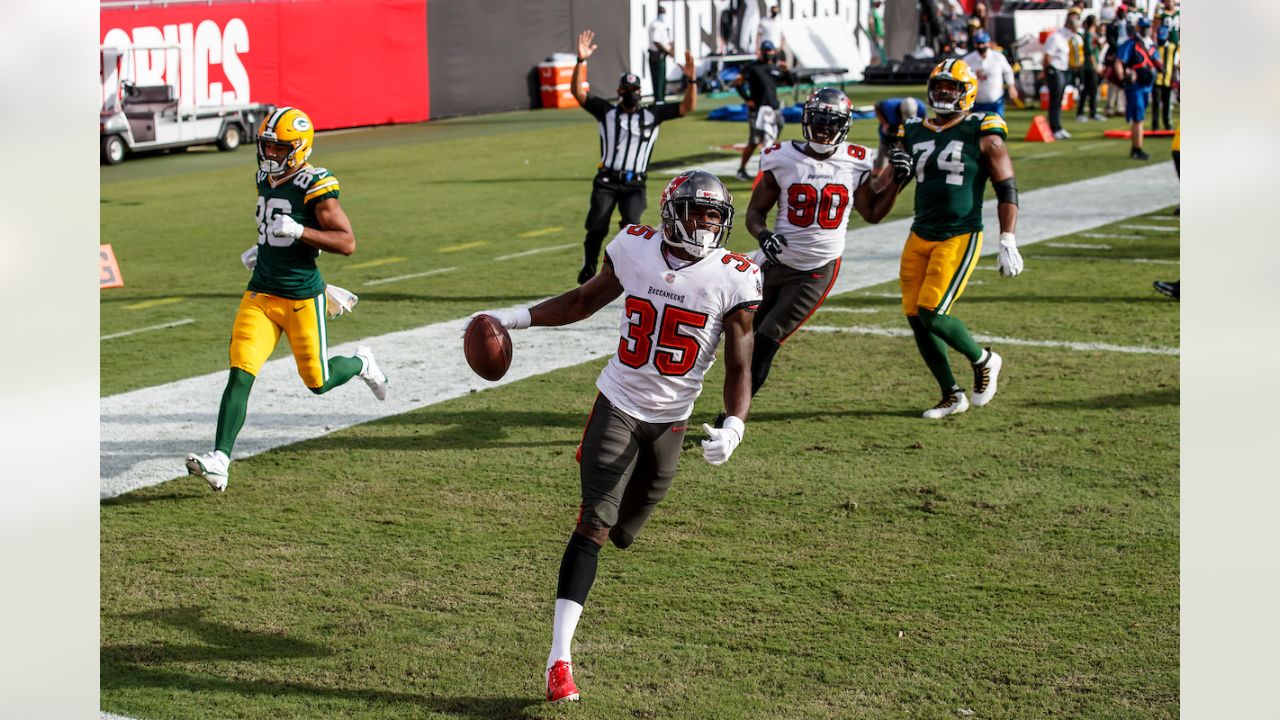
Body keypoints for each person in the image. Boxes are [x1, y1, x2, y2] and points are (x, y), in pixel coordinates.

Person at [467, 170, 760, 704]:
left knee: (625, 532)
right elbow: (581, 302)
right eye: (698, 212)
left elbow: (740, 365)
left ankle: (612, 515)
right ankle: (559, 661)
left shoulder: (736, 277)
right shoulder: (635, 246)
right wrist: (512, 318)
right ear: (672, 213)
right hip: (618, 404)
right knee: (594, 526)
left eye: (716, 215)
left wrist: (735, 424)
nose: (708, 223)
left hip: (672, 420)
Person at [184, 106, 389, 492]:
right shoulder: (264, 176)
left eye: (279, 148)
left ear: (298, 148)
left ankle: (362, 363)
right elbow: (272, 225)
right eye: (267, 146)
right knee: (240, 372)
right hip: (261, 293)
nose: (270, 154)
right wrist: (263, 247)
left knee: (318, 381)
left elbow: (346, 242)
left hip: (300, 298)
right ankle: (220, 460)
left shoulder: (316, 183)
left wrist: (298, 231)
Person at [731, 88, 911, 403]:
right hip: (774, 262)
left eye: (832, 122)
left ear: (844, 125)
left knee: (766, 340)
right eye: (819, 120)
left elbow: (871, 213)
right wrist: (763, 235)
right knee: (741, 336)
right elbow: (755, 212)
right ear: (806, 120)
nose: (825, 128)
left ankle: (731, 418)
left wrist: (896, 182)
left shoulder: (856, 161)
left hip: (815, 270)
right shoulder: (781, 156)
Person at [896, 59, 1023, 418]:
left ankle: (984, 358)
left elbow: (1006, 185)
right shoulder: (913, 130)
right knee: (915, 315)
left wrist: (1008, 238)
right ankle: (951, 394)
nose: (943, 94)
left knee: (932, 312)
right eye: (938, 88)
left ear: (966, 91)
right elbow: (887, 182)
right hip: (920, 232)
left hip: (959, 233)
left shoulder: (982, 126)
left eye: (951, 88)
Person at [571, 30, 697, 284]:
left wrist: (691, 81)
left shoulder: (652, 114)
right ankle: (589, 266)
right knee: (596, 226)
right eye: (627, 89)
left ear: (640, 91)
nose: (632, 92)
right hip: (607, 180)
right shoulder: (606, 112)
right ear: (619, 91)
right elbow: (578, 93)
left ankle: (622, 271)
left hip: (634, 183)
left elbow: (686, 107)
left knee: (631, 228)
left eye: (635, 89)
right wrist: (580, 61)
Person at [733, 41, 795, 182]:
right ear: (761, 51)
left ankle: (769, 170)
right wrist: (747, 98)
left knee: (772, 140)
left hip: (774, 109)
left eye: (769, 50)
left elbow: (790, 82)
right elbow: (737, 82)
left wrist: (787, 71)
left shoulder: (775, 68)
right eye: (765, 50)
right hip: (758, 110)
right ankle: (741, 169)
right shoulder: (752, 67)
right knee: (754, 141)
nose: (767, 52)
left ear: (774, 51)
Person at [1115, 16, 1161, 160]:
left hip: (1147, 85)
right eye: (1143, 27)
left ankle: (1136, 147)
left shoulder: (1151, 44)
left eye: (1147, 27)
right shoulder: (1132, 44)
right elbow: (1119, 61)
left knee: (1140, 117)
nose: (1145, 29)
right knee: (1138, 118)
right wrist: (1123, 77)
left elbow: (1158, 61)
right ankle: (1137, 148)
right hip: (1136, 86)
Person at [962, 31, 1018, 117]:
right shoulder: (968, 59)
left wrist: (1011, 86)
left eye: (982, 43)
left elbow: (1008, 71)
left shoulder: (998, 57)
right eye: (978, 43)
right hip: (975, 103)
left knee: (996, 127)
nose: (980, 46)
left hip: (996, 102)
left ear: (988, 43)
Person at [1042, 12, 1078, 139]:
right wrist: (1047, 72)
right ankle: (1054, 127)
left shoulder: (1064, 39)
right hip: (1055, 70)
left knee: (1059, 100)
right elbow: (1047, 57)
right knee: (1055, 100)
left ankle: (1058, 126)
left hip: (1062, 70)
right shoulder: (1056, 38)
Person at [873, 96, 923, 172]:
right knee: (885, 148)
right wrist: (885, 123)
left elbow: (923, 123)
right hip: (890, 130)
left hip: (909, 132)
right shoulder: (890, 105)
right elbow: (876, 106)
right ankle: (879, 168)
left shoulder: (921, 107)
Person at [1075, 15, 1106, 121]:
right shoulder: (1088, 35)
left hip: (1092, 66)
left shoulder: (1093, 35)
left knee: (1092, 90)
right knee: (1087, 90)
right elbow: (1089, 52)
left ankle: (1092, 112)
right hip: (1089, 67)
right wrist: (1095, 66)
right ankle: (1082, 113)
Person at [1151, 24, 1178, 132]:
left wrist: (1174, 78)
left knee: (1167, 103)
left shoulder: (1172, 47)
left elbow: (1175, 64)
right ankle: (1155, 125)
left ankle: (1167, 124)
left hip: (1168, 79)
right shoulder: (1154, 48)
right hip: (1156, 80)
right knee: (1156, 103)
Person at [647, 4, 674, 102]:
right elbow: (657, 41)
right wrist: (668, 51)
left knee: (662, 80)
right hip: (656, 55)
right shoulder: (655, 24)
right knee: (657, 80)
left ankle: (662, 99)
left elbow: (668, 40)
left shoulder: (664, 24)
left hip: (663, 56)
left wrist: (671, 50)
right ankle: (658, 99)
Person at [868, 0, 887, 65]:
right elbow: (871, 24)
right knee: (875, 56)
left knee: (879, 55)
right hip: (875, 37)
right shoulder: (872, 12)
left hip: (878, 37)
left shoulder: (877, 12)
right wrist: (874, 36)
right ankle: (872, 70)